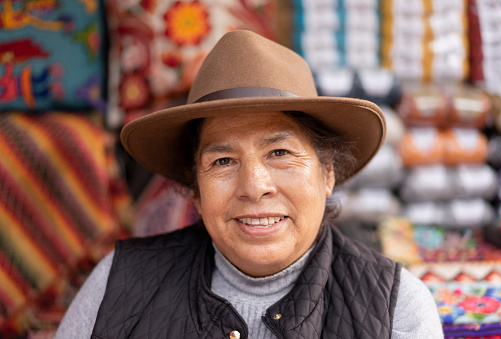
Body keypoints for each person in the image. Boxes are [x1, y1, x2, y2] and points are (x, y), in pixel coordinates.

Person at [56, 30, 443, 338]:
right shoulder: (118, 284)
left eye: (279, 153)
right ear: (195, 190)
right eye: (223, 161)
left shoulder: (395, 308)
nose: (255, 187)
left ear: (327, 173)